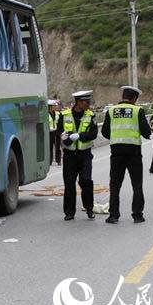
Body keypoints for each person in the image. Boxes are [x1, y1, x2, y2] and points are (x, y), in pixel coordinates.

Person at [102, 85, 151, 224]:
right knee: (136, 184)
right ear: (134, 98)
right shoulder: (137, 110)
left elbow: (105, 132)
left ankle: (113, 215)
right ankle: (137, 215)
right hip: (134, 153)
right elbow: (146, 132)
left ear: (123, 96)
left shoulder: (111, 111)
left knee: (115, 185)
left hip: (116, 152)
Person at [57, 90, 98, 221]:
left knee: (86, 181)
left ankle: (89, 208)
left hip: (85, 155)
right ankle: (69, 212)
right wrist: (67, 138)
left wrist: (80, 136)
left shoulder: (91, 115)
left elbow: (93, 134)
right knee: (69, 184)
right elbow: (59, 132)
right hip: (69, 156)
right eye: (87, 102)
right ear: (79, 102)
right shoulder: (65, 115)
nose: (89, 104)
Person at [48, 100, 61, 165]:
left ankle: (58, 160)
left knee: (57, 146)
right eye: (54, 106)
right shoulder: (46, 115)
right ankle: (49, 161)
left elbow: (59, 122)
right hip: (50, 133)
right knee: (50, 147)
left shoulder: (58, 113)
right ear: (50, 107)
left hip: (56, 132)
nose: (56, 107)